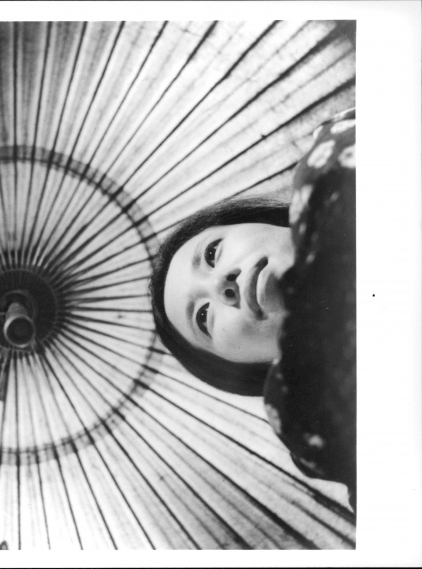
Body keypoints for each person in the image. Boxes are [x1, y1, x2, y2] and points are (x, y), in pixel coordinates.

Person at [149, 108, 356, 508]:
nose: (220, 284)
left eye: (212, 253)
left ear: (259, 221)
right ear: (242, 368)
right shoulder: (326, 433)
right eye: (203, 318)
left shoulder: (336, 159)